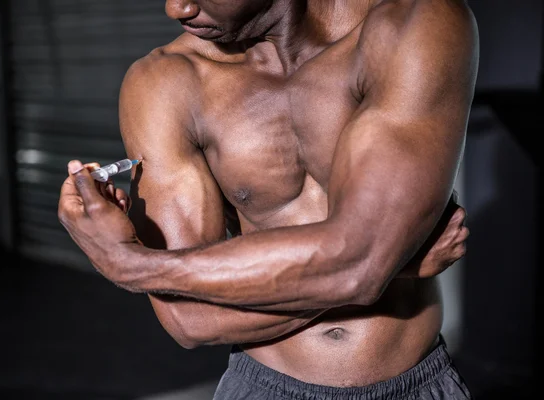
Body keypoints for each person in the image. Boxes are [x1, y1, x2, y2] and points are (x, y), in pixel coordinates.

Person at [58, 0, 478, 398]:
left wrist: (130, 265)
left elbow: (360, 264)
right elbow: (190, 319)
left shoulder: (412, 23)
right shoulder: (167, 82)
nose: (177, 8)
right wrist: (394, 265)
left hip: (417, 385)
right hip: (265, 387)